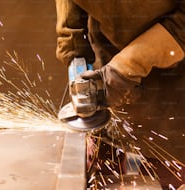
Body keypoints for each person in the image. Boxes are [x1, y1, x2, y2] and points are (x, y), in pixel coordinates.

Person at [55, 0, 185, 187]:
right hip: (110, 47)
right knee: (108, 158)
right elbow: (70, 19)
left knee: (170, 164)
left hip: (176, 67)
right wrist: (75, 55)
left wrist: (128, 66)